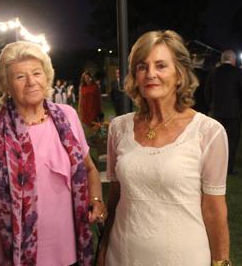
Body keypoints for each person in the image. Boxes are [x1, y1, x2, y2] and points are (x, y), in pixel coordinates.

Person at [0, 41, 105, 266]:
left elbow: (89, 170)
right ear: (6, 85)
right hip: (12, 255)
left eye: (37, 73)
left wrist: (96, 200)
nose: (31, 82)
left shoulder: (67, 116)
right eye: (20, 77)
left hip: (69, 249)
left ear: (46, 77)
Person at [97, 30, 231, 266]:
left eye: (161, 66)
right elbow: (115, 199)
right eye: (142, 66)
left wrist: (221, 262)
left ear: (179, 74)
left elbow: (214, 211)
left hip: (184, 257)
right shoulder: (119, 128)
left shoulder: (208, 132)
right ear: (134, 76)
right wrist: (103, 249)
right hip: (122, 255)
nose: (151, 74)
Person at [205, 50, 242, 175]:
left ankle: (214, 167)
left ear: (223, 59)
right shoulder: (238, 72)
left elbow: (207, 91)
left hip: (217, 112)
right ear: (233, 59)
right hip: (234, 113)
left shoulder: (214, 72)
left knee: (215, 141)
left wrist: (211, 105)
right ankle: (228, 169)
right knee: (231, 141)